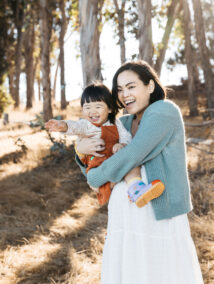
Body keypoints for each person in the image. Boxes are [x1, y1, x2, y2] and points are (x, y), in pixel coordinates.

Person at [75, 61, 204, 284]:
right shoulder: (122, 122)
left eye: (131, 86)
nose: (124, 94)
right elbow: (93, 159)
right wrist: (79, 151)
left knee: (159, 274)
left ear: (150, 86)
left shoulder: (164, 111)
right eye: (120, 89)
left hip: (158, 217)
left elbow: (133, 154)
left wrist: (96, 178)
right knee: (129, 274)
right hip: (124, 219)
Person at [45, 82, 164, 206]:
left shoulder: (116, 124)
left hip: (114, 160)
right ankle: (110, 188)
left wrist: (122, 145)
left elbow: (126, 137)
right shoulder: (86, 125)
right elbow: (75, 127)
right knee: (118, 173)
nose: (92, 111)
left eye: (97, 107)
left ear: (110, 108)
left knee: (132, 166)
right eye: (87, 107)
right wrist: (63, 125)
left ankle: (136, 190)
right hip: (97, 164)